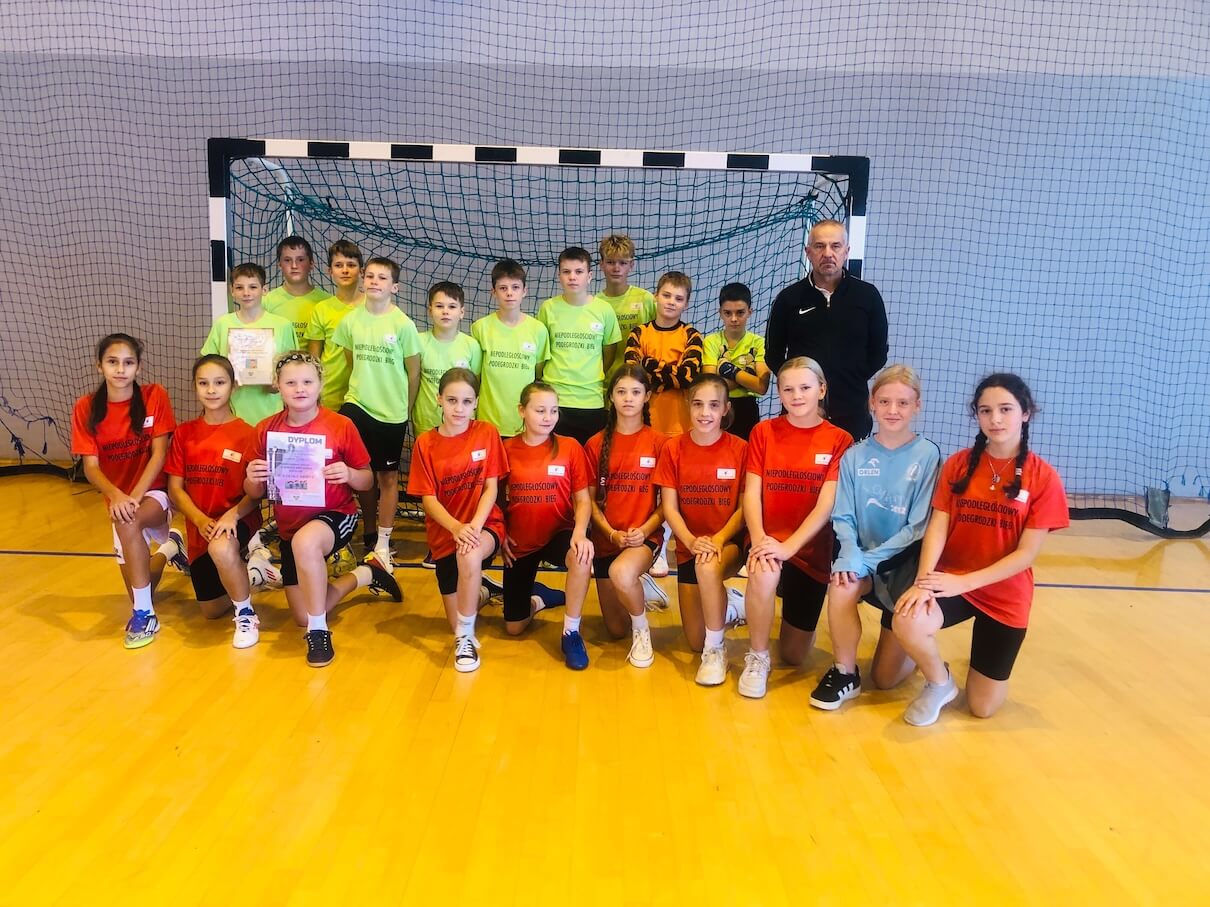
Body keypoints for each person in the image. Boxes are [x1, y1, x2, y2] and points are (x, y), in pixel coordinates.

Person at [891, 373, 1069, 726]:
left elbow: (1026, 555)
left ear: (1025, 413)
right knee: (908, 620)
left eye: (1006, 409)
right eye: (986, 410)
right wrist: (924, 581)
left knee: (982, 708)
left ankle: (976, 668)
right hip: (951, 580)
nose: (995, 419)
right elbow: (938, 526)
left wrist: (965, 582)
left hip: (1004, 595)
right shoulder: (958, 464)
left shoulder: (1044, 478)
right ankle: (939, 681)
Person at [244, 352, 400, 667]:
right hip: (289, 526)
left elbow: (367, 480)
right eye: (290, 382)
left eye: (307, 381)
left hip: (337, 515)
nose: (299, 388)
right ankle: (368, 573)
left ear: (320, 384)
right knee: (302, 613)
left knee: (306, 544)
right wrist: (252, 477)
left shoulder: (340, 425)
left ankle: (318, 631)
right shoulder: (266, 430)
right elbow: (254, 493)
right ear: (277, 385)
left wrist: (349, 474)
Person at [809, 364, 941, 710]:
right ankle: (845, 673)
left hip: (903, 567)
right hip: (864, 562)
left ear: (917, 406)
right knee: (841, 585)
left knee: (884, 680)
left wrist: (866, 561)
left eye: (903, 403)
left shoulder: (927, 455)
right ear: (872, 403)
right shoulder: (855, 456)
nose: (892, 410)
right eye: (884, 401)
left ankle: (924, 657)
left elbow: (917, 527)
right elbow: (843, 516)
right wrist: (850, 554)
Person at [739, 357, 853, 698]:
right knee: (764, 572)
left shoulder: (839, 440)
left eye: (805, 387)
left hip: (809, 549)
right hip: (766, 538)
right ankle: (758, 657)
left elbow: (826, 505)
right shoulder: (763, 432)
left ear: (822, 390)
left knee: (793, 655)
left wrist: (789, 547)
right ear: (779, 392)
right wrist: (759, 539)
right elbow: (751, 493)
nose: (797, 395)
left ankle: (744, 605)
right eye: (788, 389)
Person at [71, 333, 181, 649]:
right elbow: (91, 467)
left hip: (155, 493)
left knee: (128, 521)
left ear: (138, 367)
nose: (120, 369)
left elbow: (159, 454)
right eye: (112, 362)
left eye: (128, 362)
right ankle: (171, 548)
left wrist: (134, 496)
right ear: (99, 366)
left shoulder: (154, 395)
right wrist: (118, 496)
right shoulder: (86, 408)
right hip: (120, 502)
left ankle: (145, 615)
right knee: (140, 586)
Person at [165, 354, 273, 649]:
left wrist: (232, 515)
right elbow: (175, 489)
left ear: (234, 386)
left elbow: (257, 494)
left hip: (237, 519)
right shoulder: (185, 433)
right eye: (203, 383)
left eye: (219, 383)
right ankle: (252, 573)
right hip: (200, 525)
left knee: (221, 547)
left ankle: (246, 614)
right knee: (211, 611)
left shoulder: (248, 434)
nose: (211, 390)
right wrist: (199, 520)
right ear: (195, 387)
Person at [407, 368, 509, 673]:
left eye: (466, 401)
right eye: (452, 400)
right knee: (455, 616)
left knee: (469, 554)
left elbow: (491, 488)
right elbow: (428, 499)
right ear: (439, 399)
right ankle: (482, 590)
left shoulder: (486, 432)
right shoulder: (425, 443)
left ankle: (465, 639)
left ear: (476, 402)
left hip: (483, 526)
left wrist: (473, 526)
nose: (459, 409)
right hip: (446, 534)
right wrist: (455, 527)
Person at [653, 374, 748, 686]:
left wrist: (718, 539)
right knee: (693, 640)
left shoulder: (741, 449)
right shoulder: (673, 449)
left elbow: (744, 509)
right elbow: (669, 507)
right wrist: (691, 541)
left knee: (708, 567)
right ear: (688, 406)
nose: (705, 412)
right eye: (698, 404)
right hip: (689, 546)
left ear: (725, 409)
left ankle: (715, 649)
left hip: (727, 544)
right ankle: (729, 605)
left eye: (713, 405)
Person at [330, 256, 422, 565]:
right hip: (357, 404)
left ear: (394, 286)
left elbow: (413, 372)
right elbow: (350, 360)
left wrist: (405, 409)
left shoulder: (403, 325)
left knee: (387, 477)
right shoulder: (350, 321)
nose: (374, 281)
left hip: (391, 413)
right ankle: (364, 531)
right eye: (369, 276)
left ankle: (383, 540)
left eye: (382, 278)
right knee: (356, 472)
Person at [764, 219, 888, 440]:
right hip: (801, 412)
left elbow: (878, 353)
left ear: (846, 252)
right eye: (820, 246)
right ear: (808, 252)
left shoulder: (867, 296)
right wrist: (799, 385)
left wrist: (851, 377)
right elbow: (773, 354)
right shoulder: (788, 299)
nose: (828, 253)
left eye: (835, 246)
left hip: (851, 411)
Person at [501, 383, 595, 669]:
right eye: (540, 410)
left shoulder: (570, 447)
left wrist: (580, 533)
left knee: (582, 555)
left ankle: (571, 632)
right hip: (521, 543)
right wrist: (501, 534)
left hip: (559, 534)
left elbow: (583, 500)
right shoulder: (506, 449)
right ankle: (539, 598)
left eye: (553, 411)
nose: (548, 417)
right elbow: (494, 498)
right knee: (514, 628)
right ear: (522, 411)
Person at [584, 365, 667, 669]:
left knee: (621, 573)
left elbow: (666, 505)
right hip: (607, 540)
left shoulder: (660, 443)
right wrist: (610, 533)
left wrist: (645, 530)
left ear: (647, 396)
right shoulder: (595, 444)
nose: (628, 398)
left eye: (635, 392)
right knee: (616, 630)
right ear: (611, 397)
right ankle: (639, 587)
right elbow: (589, 502)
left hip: (643, 539)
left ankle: (642, 631)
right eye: (621, 392)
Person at [537, 246, 622, 444]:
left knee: (590, 460)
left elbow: (609, 353)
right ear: (559, 275)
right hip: (555, 400)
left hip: (591, 401)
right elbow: (541, 354)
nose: (572, 277)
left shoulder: (604, 310)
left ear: (589, 276)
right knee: (555, 461)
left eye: (579, 271)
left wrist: (590, 376)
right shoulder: (548, 308)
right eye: (566, 272)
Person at [200, 262, 297, 425]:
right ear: (232, 291)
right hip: (231, 410)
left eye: (253, 287)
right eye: (239, 288)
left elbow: (292, 368)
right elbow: (207, 365)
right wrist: (224, 380)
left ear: (264, 290)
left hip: (270, 410)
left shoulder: (283, 325)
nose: (246, 293)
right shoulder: (222, 324)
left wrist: (279, 384)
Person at [471, 259, 550, 439]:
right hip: (488, 423)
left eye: (515, 287)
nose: (509, 293)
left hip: (524, 424)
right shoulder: (480, 328)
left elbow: (538, 372)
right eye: (503, 288)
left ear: (524, 291)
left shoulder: (538, 330)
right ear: (494, 292)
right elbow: (476, 376)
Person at [623, 271, 703, 438]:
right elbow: (634, 377)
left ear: (686, 304)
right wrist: (672, 373)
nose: (671, 302)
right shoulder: (638, 333)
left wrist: (648, 364)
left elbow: (687, 377)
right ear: (655, 296)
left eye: (679, 299)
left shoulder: (692, 335)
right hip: (642, 422)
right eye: (666, 295)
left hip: (680, 424)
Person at [701, 282, 770, 440]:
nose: (734, 319)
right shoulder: (711, 342)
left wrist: (729, 371)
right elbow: (710, 387)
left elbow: (761, 386)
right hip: (717, 408)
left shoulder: (759, 343)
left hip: (747, 409)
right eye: (728, 313)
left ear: (750, 312)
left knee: (746, 453)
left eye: (740, 313)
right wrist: (747, 375)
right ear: (720, 313)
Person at [414, 281, 482, 434]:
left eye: (452, 306)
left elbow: (475, 384)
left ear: (462, 312)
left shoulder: (471, 345)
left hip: (462, 422)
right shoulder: (418, 342)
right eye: (439, 306)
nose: (445, 311)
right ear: (430, 310)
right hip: (427, 421)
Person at [305, 239, 365, 411]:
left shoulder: (373, 307)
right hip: (330, 395)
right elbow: (314, 359)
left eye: (351, 265)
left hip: (364, 397)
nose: (345, 270)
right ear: (330, 271)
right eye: (338, 265)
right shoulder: (322, 309)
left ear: (361, 271)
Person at [595, 233, 655, 373]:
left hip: (639, 380)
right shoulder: (594, 304)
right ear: (601, 264)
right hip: (605, 380)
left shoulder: (645, 299)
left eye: (623, 263)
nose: (616, 268)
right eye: (610, 262)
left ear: (631, 265)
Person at [264, 236, 332, 343]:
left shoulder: (327, 302)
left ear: (311, 264)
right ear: (280, 265)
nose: (294, 265)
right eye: (287, 260)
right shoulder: (266, 302)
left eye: (300, 260)